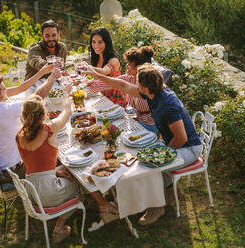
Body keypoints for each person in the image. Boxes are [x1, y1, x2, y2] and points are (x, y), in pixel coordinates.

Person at [83, 64, 202, 225]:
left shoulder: (168, 105)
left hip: (189, 148)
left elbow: (181, 138)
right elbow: (123, 85)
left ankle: (156, 207)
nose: (135, 85)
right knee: (141, 153)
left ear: (145, 87)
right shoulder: (153, 93)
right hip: (175, 144)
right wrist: (97, 76)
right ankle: (170, 192)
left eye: (137, 82)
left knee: (148, 165)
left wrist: (159, 155)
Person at [16, 93, 118, 244]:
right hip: (49, 192)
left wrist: (55, 171)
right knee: (80, 177)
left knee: (69, 170)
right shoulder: (48, 129)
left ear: (24, 115)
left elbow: (35, 161)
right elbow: (67, 111)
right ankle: (100, 208)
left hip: (31, 190)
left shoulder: (19, 135)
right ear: (43, 114)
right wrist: (66, 93)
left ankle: (103, 205)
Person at [0, 64, 57, 179]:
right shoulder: (6, 110)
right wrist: (51, 78)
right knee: (48, 146)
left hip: (0, 168)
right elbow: (37, 97)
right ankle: (53, 178)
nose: (7, 91)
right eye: (4, 89)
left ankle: (54, 172)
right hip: (14, 172)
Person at [86, 27, 126, 106]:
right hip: (102, 99)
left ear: (107, 43)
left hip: (116, 103)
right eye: (93, 42)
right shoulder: (97, 58)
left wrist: (87, 67)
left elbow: (104, 71)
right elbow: (100, 80)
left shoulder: (113, 60)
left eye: (100, 42)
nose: (96, 45)